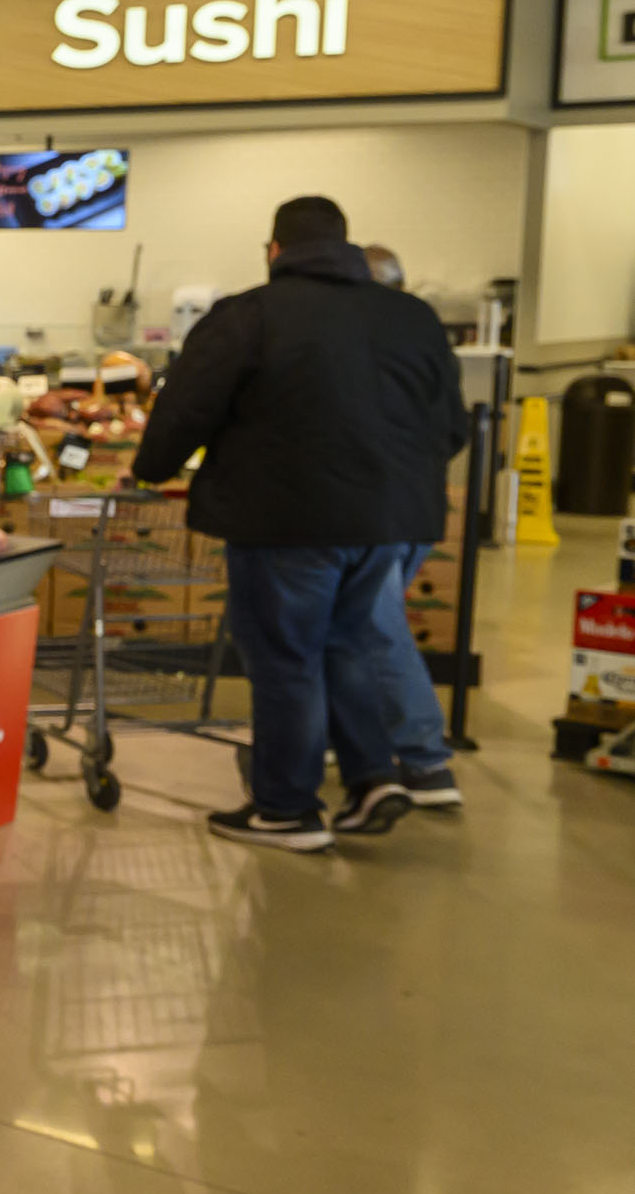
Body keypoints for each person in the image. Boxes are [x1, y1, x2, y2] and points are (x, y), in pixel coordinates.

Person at [133, 196, 470, 849]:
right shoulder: (412, 317)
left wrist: (151, 468)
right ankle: (372, 779)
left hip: (285, 520)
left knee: (286, 658)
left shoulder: (250, 314)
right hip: (391, 523)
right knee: (348, 645)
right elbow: (451, 425)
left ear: (274, 250)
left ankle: (286, 808)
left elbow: (187, 407)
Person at [326, 238, 464, 809]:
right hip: (418, 505)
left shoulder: (362, 338)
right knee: (358, 624)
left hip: (376, 510)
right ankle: (347, 736)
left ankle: (426, 760)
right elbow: (455, 427)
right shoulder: (423, 331)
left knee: (376, 628)